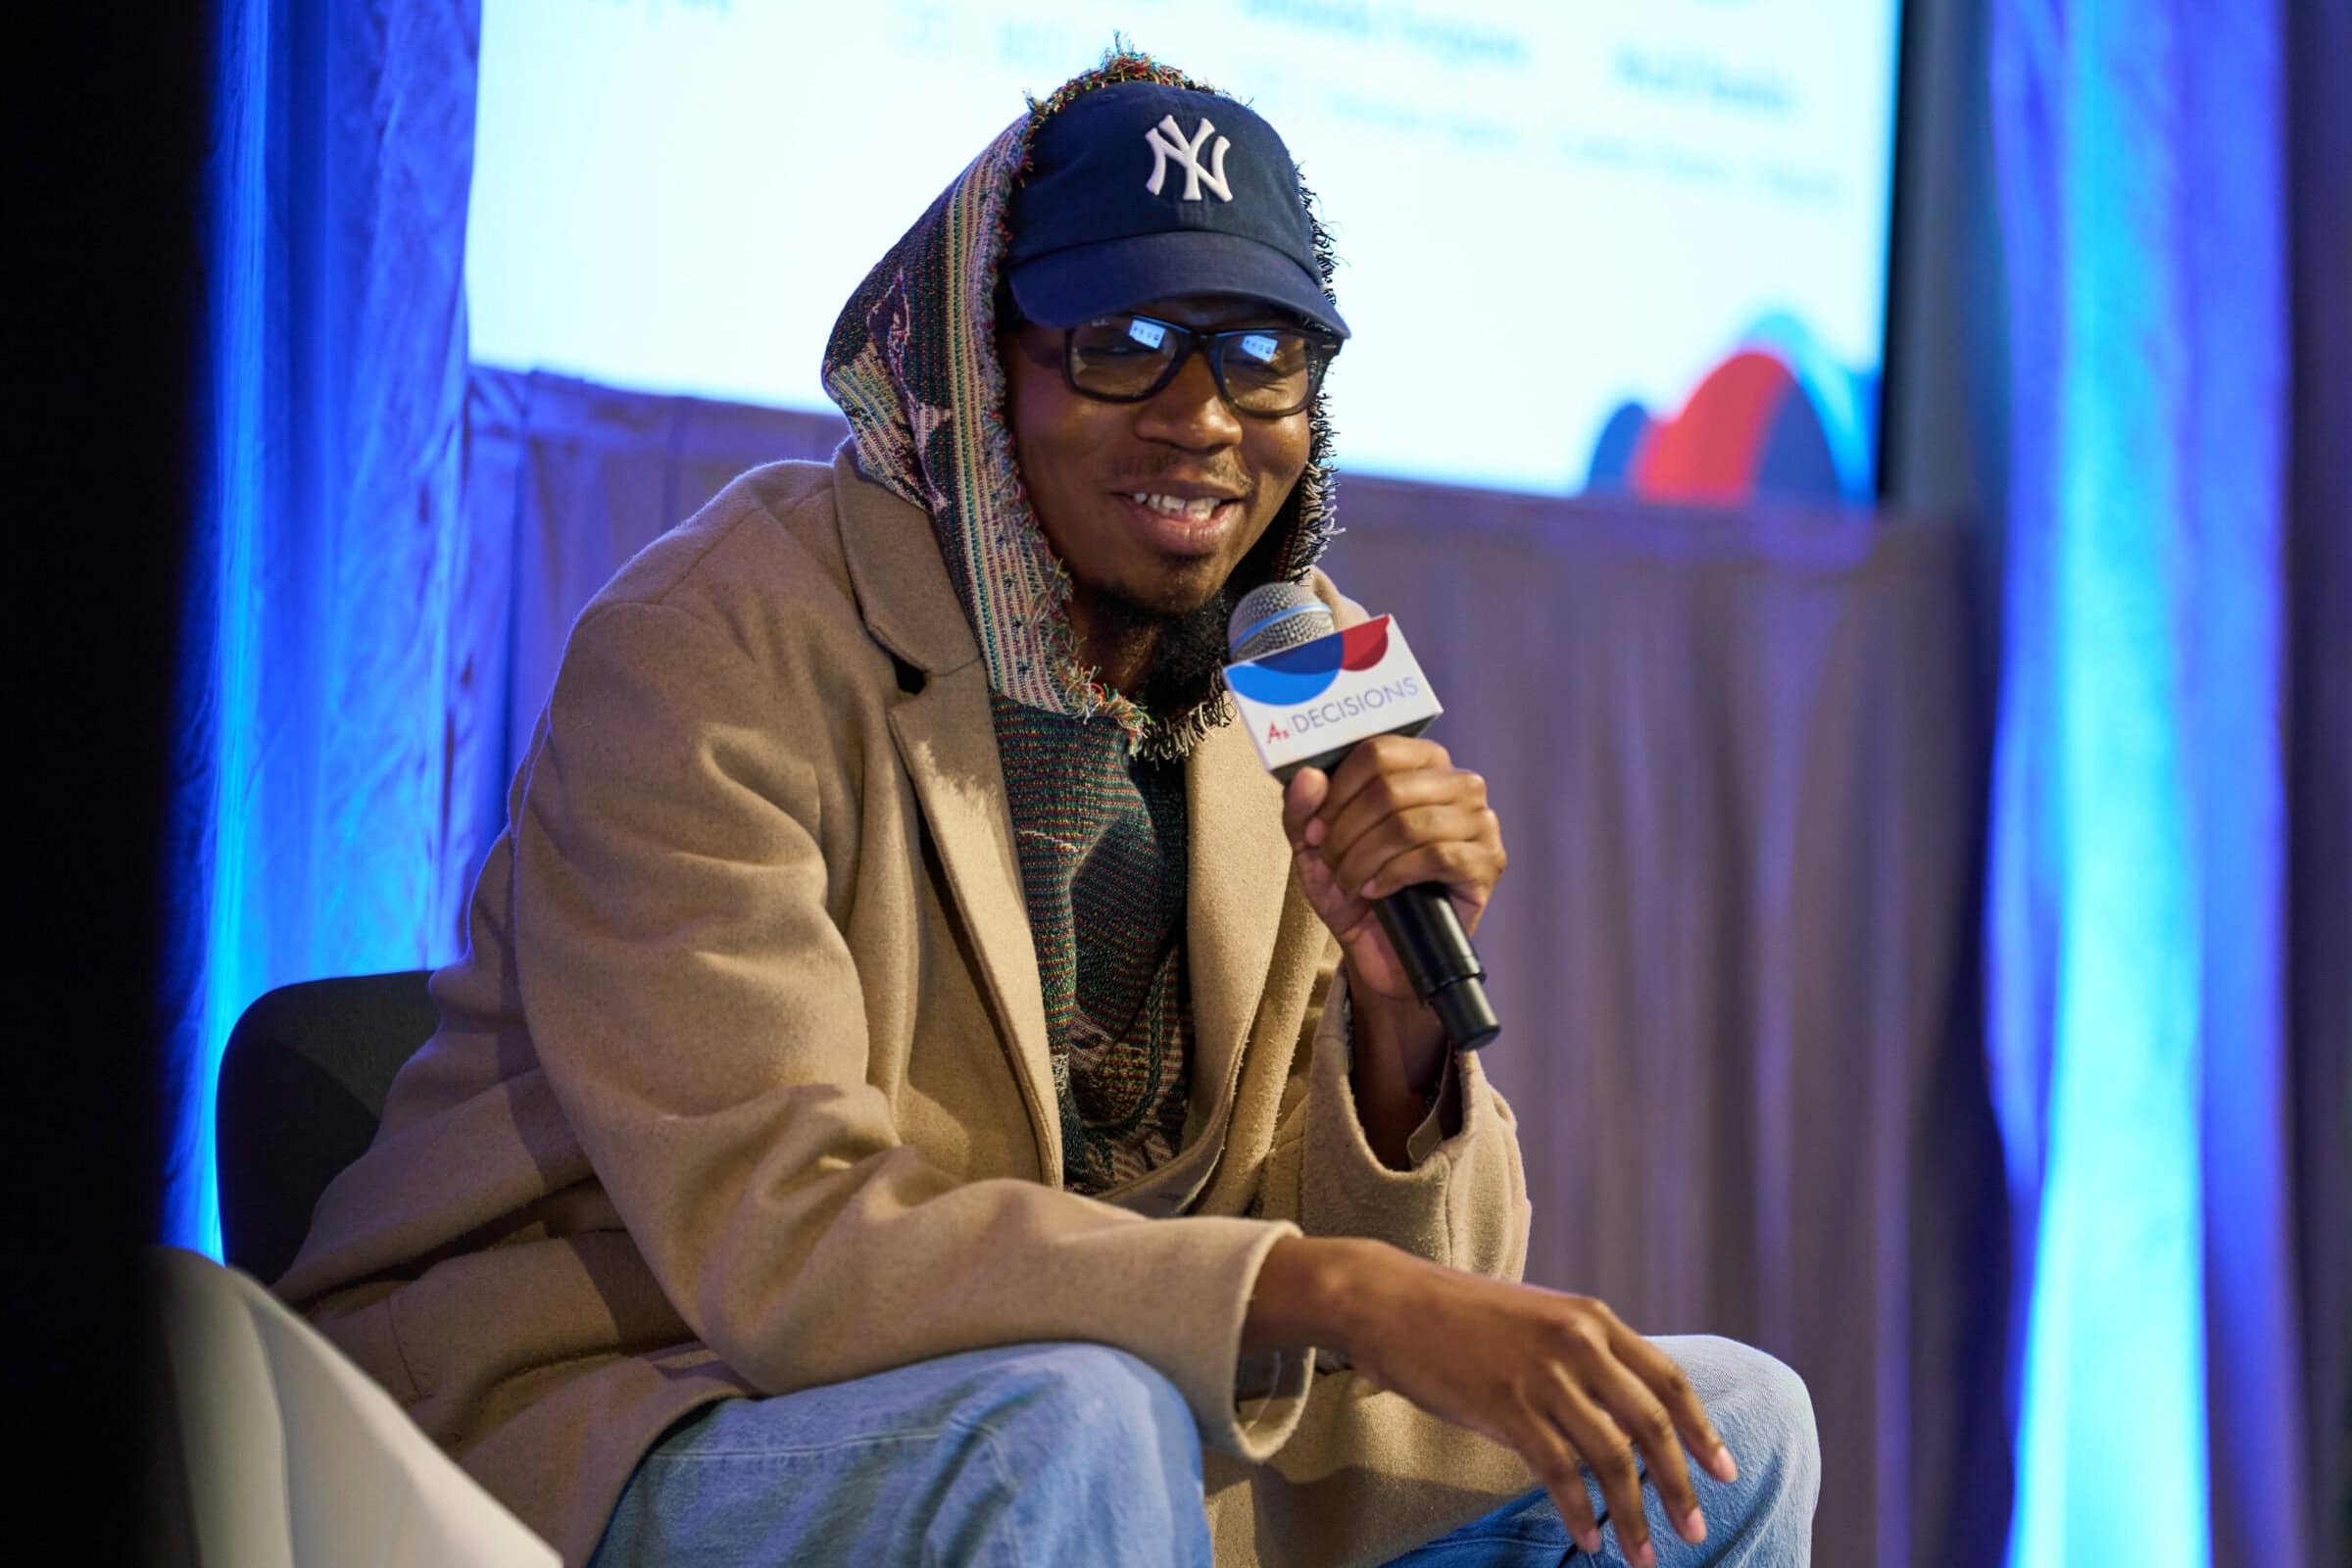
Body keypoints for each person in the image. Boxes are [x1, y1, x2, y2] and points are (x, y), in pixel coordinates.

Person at [277, 52, 1819, 1568]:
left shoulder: (1293, 671)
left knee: (1734, 1428)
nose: (1205, 417)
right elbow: (788, 1251)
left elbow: (1449, 1297)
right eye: (1126, 338)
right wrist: (1328, 1293)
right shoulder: (714, 645)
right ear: (978, 361)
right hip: (647, 1403)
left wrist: (1401, 1032)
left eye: (1263, 348)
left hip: (1099, 1411)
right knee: (1081, 1425)